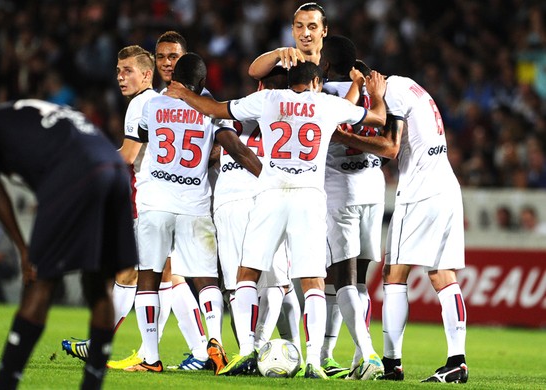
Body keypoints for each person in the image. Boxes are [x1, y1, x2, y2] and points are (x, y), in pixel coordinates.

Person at [166, 60, 387, 379]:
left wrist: (183, 94)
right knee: (312, 282)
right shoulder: (326, 103)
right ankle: (313, 361)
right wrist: (372, 93)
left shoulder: (269, 100)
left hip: (271, 194)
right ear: (314, 83)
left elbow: (214, 109)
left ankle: (245, 351)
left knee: (247, 274)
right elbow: (378, 118)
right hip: (308, 198)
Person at [0, 99, 138, 389]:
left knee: (42, 283)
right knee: (99, 285)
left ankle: (4, 384)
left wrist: (23, 248)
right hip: (116, 170)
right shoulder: (30, 113)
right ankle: (92, 383)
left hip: (74, 172)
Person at [332, 62, 469, 383]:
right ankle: (457, 361)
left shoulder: (389, 92)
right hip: (446, 186)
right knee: (442, 275)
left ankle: (392, 362)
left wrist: (344, 136)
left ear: (365, 81)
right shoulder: (410, 86)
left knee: (394, 274)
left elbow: (391, 148)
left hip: (419, 192)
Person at [127, 53, 261, 373]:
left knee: (149, 279)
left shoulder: (152, 105)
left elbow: (145, 136)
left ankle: (150, 357)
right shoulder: (210, 109)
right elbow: (237, 149)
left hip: (156, 203)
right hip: (195, 205)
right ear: (202, 82)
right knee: (206, 280)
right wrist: (269, 179)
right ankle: (215, 342)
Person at [61, 44, 160, 369]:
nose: (121, 77)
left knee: (134, 274)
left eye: (128, 70)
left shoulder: (140, 105)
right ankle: (200, 349)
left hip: (147, 201)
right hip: (172, 198)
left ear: (147, 74)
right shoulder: (159, 102)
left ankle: (129, 350)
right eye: (118, 71)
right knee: (161, 276)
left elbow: (129, 157)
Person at [210, 66, 302, 356]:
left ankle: (248, 351)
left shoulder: (234, 111)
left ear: (260, 86)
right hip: (269, 200)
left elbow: (231, 146)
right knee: (277, 281)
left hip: (231, 201)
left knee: (239, 286)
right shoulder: (292, 120)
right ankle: (268, 346)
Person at [317, 36, 385, 380]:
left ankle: (369, 354)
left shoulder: (322, 94)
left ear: (325, 65)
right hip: (373, 186)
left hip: (339, 190)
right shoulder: (373, 92)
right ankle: (361, 355)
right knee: (361, 280)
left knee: (342, 277)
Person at [248, 2, 327, 79]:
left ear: (324, 31)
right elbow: (253, 72)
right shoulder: (285, 64)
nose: (305, 34)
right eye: (299, 26)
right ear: (292, 30)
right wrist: (277, 53)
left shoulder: (334, 64)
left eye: (312, 27)